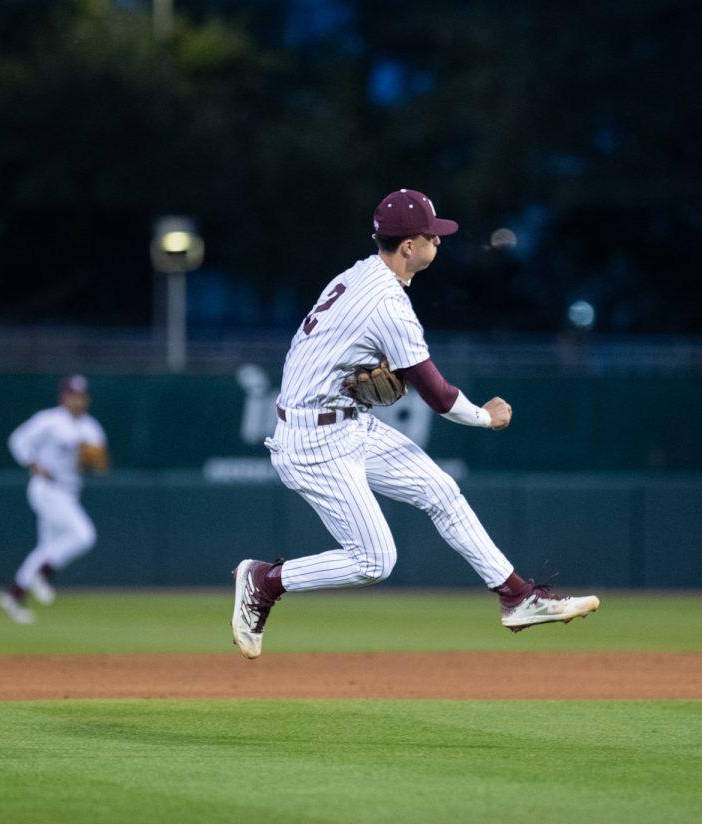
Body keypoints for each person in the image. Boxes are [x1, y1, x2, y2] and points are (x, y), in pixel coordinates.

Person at [230, 189, 599, 658]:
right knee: (374, 561)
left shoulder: (358, 273)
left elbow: (315, 346)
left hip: (345, 421)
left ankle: (516, 597)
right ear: (408, 246)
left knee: (442, 491)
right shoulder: (387, 303)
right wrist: (488, 417)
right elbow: (440, 397)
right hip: (312, 440)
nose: (439, 243)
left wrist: (338, 376)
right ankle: (265, 580)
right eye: (432, 235)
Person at [0, 375, 108, 624]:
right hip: (47, 489)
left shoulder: (91, 427)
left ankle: (15, 593)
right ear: (63, 396)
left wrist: (90, 460)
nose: (77, 400)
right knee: (83, 535)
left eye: (81, 396)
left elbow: (100, 466)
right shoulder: (49, 420)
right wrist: (33, 463)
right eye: (72, 395)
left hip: (70, 491)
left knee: (46, 547)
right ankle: (43, 573)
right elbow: (17, 440)